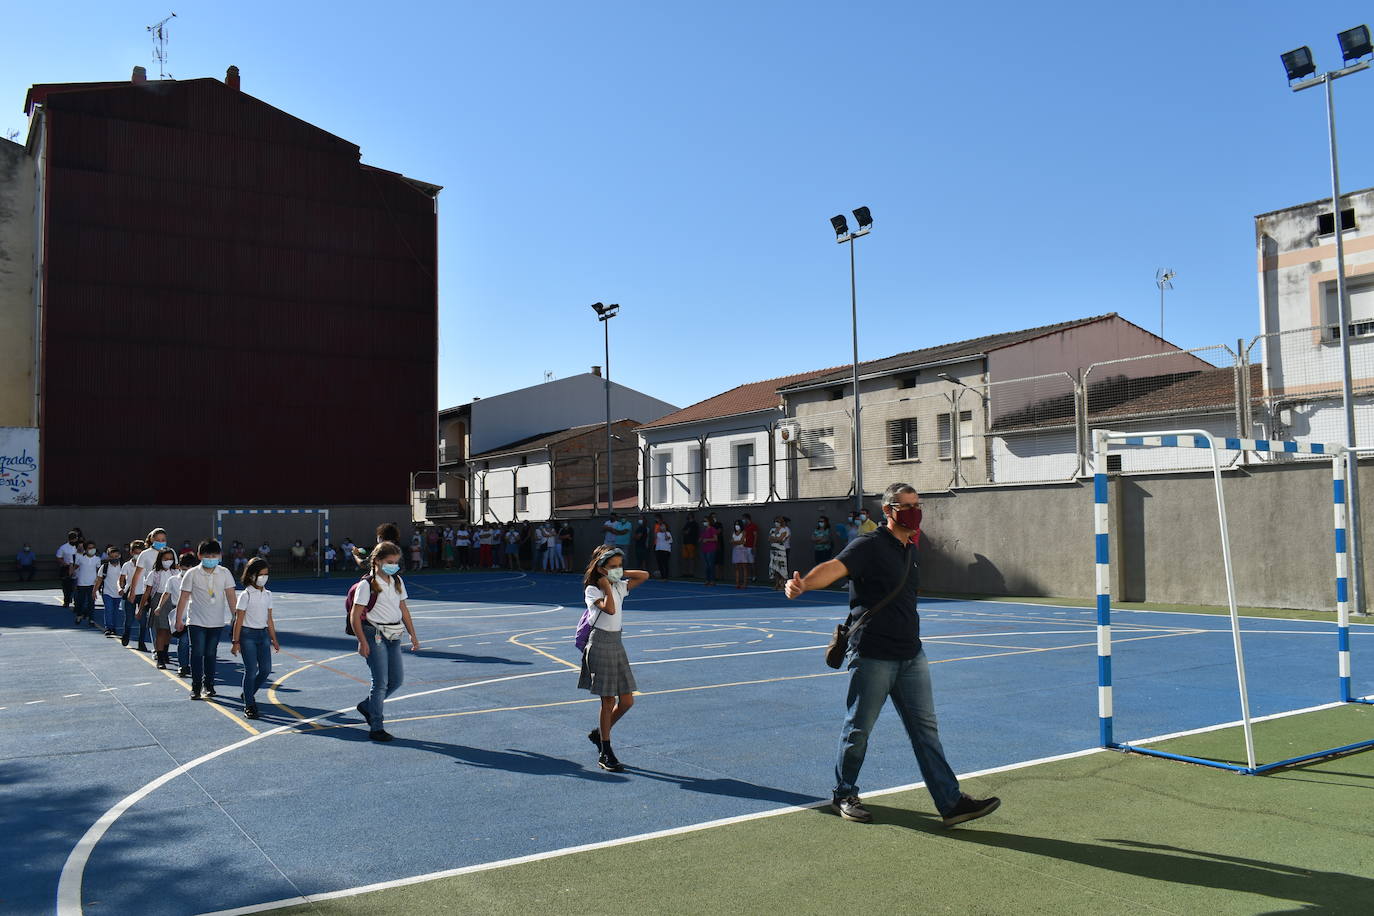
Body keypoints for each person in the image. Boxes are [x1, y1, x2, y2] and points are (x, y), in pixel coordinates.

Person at [784, 484, 1001, 829]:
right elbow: (835, 567)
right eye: (906, 506)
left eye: (917, 505)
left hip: (911, 654)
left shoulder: (910, 549)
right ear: (888, 511)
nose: (915, 512)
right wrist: (804, 584)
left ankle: (950, 803)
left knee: (926, 731)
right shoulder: (869, 545)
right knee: (858, 729)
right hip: (873, 655)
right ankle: (844, 794)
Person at [580, 545, 650, 772]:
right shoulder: (593, 590)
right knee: (608, 700)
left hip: (617, 643)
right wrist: (605, 585)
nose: (618, 570)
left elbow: (644, 575)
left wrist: (619, 573)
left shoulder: (619, 584)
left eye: (620, 565)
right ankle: (605, 751)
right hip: (600, 644)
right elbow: (609, 609)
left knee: (627, 701)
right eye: (613, 566)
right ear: (601, 568)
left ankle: (600, 733)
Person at [351, 542, 420, 742]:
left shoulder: (397, 581)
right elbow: (355, 616)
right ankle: (376, 726)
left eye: (396, 562)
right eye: (390, 562)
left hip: (394, 633)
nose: (394, 566)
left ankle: (367, 706)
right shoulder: (367, 585)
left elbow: (403, 609)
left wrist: (413, 634)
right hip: (374, 634)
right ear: (378, 561)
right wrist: (362, 641)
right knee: (380, 682)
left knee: (396, 680)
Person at [174, 540, 238, 701]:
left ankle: (208, 684)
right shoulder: (192, 573)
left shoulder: (224, 573)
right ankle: (195, 687)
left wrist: (236, 617)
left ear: (220, 556)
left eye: (214, 555)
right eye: (207, 555)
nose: (211, 558)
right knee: (197, 652)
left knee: (210, 653)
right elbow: (183, 597)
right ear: (199, 555)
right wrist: (178, 619)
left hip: (216, 622)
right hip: (196, 621)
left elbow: (231, 596)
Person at [230, 557, 279, 719]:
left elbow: (269, 619)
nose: (264, 577)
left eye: (266, 574)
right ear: (251, 575)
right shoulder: (245, 595)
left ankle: (248, 693)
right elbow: (239, 620)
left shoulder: (268, 594)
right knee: (251, 670)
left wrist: (274, 638)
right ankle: (249, 705)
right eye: (261, 574)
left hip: (263, 635)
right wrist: (235, 642)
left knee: (265, 670)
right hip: (247, 636)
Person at [128, 528, 169, 652]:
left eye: (163, 540)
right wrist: (132, 591)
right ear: (152, 539)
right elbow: (137, 574)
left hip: (167, 591)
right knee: (155, 620)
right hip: (151, 592)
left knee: (166, 623)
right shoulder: (145, 554)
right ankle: (158, 649)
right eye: (158, 540)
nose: (161, 542)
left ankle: (163, 647)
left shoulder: (170, 552)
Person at [144, 547, 179, 669]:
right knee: (161, 630)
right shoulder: (154, 574)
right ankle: (159, 657)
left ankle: (165, 652)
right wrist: (142, 606)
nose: (168, 561)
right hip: (158, 600)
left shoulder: (176, 573)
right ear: (160, 559)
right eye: (165, 559)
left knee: (169, 630)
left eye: (170, 559)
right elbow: (148, 591)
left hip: (173, 601)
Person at [94, 545, 126, 637]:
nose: (114, 558)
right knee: (108, 609)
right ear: (108, 557)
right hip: (107, 592)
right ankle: (108, 627)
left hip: (119, 593)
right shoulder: (104, 567)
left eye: (116, 556)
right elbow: (99, 580)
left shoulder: (123, 567)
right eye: (111, 557)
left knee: (116, 611)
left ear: (119, 556)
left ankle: (114, 628)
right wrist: (94, 591)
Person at [119, 539, 145, 647]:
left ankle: (141, 642)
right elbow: (121, 579)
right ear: (131, 552)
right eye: (136, 553)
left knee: (143, 620)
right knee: (129, 618)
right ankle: (126, 635)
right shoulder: (127, 565)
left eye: (140, 553)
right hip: (130, 593)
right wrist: (120, 588)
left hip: (143, 594)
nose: (138, 555)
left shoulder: (146, 565)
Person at [72, 541, 102, 626]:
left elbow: (98, 570)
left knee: (91, 602)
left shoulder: (97, 559)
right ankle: (79, 615)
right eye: (89, 548)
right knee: (80, 601)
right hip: (81, 583)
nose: (92, 549)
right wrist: (73, 573)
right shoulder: (80, 558)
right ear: (85, 549)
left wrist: (98, 581)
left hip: (92, 583)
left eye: (93, 548)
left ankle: (91, 619)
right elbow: (75, 567)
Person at [56, 530, 80, 608]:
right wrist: (65, 564)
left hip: (78, 568)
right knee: (66, 587)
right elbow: (59, 557)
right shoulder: (63, 547)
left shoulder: (79, 547)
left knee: (77, 586)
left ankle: (77, 602)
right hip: (67, 568)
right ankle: (66, 601)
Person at [769, 516, 791, 590]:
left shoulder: (785, 529)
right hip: (773, 550)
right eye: (775, 521)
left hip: (782, 550)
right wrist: (776, 539)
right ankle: (777, 583)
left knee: (782, 567)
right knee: (775, 567)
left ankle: (783, 584)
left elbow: (782, 539)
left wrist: (774, 539)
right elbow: (769, 539)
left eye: (778, 521)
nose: (776, 523)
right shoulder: (772, 530)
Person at [699, 518, 719, 586]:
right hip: (704, 549)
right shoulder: (704, 530)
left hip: (711, 549)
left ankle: (712, 580)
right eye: (703, 521)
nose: (704, 522)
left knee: (711, 565)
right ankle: (707, 580)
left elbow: (715, 539)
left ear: (709, 522)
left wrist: (707, 539)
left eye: (705, 521)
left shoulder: (712, 529)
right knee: (706, 566)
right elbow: (701, 538)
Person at [731, 520, 750, 590]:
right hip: (735, 550)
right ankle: (737, 583)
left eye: (738, 524)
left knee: (744, 567)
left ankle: (745, 583)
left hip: (742, 550)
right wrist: (736, 542)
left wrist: (735, 542)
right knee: (737, 567)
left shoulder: (743, 532)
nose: (736, 526)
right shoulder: (734, 533)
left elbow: (742, 542)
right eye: (735, 524)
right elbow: (731, 542)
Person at [742, 513, 760, 583]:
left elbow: (755, 536)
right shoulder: (745, 527)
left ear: (747, 519)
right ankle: (748, 576)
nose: (743, 520)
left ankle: (754, 576)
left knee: (752, 562)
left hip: (751, 547)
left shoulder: (753, 526)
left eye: (744, 519)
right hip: (744, 547)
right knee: (746, 562)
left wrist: (754, 546)